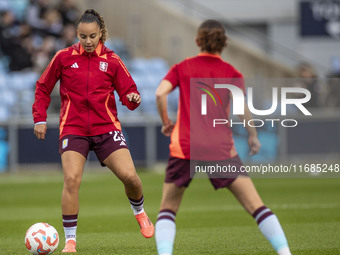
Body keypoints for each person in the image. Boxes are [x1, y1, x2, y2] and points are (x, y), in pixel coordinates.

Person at [155, 19, 292, 255]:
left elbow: (159, 93)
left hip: (185, 147)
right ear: (223, 43)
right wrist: (252, 135)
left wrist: (166, 121)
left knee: (168, 208)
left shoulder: (182, 67)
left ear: (197, 41)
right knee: (255, 205)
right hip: (220, 149)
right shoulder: (232, 73)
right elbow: (242, 111)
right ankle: (285, 253)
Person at [32, 9, 154, 253]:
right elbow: (43, 87)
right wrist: (40, 118)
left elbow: (131, 94)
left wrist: (133, 98)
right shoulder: (63, 57)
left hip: (106, 128)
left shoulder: (112, 61)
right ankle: (70, 241)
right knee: (71, 180)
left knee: (130, 177)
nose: (88, 42)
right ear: (77, 34)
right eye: (83, 37)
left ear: (101, 35)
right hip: (73, 128)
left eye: (93, 37)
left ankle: (139, 212)